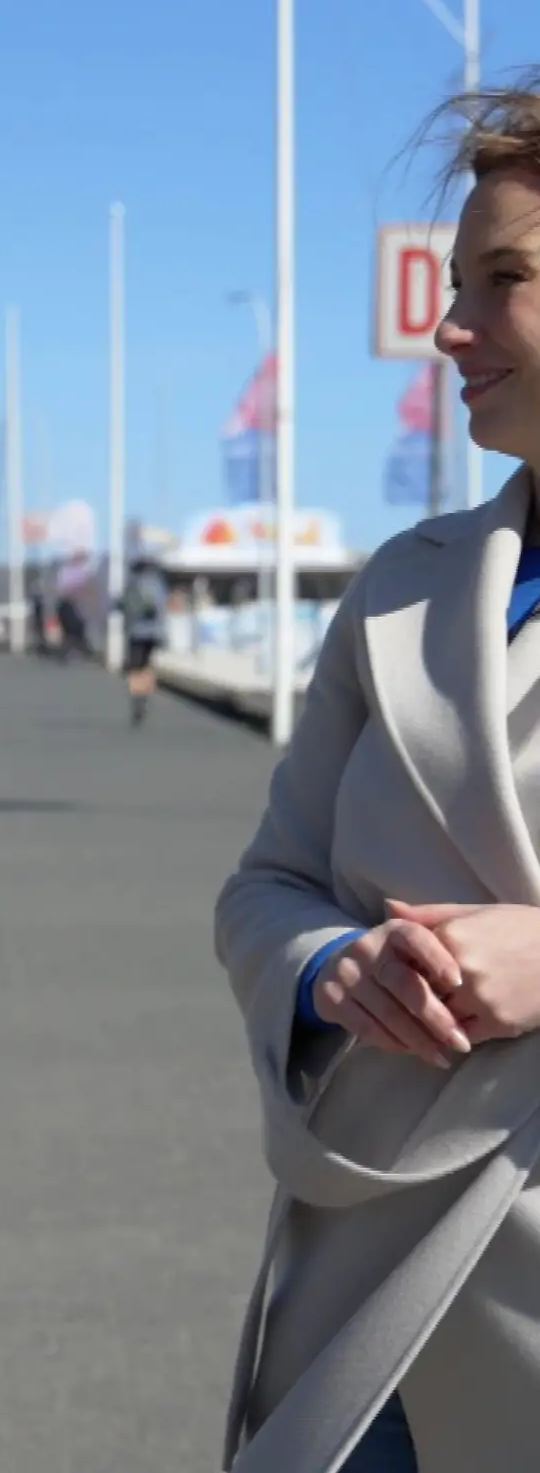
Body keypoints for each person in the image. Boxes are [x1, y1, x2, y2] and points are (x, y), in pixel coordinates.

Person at [215, 71, 540, 1473]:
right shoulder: (400, 591)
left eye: (504, 279)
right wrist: (325, 966)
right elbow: (266, 885)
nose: (449, 325)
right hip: (359, 1298)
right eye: (455, 281)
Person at [120, 558, 167, 725]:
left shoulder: (133, 583)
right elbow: (161, 610)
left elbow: (121, 604)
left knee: (135, 667)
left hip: (136, 631)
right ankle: (145, 694)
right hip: (154, 633)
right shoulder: (159, 585)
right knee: (147, 665)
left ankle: (137, 698)